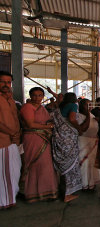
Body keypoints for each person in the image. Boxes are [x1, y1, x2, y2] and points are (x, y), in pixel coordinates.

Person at [19, 87, 58, 203]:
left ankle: (48, 192)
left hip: (44, 139)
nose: (37, 98)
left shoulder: (42, 108)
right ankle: (32, 194)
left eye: (40, 95)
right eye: (35, 95)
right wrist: (49, 127)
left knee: (47, 165)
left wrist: (49, 125)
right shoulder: (27, 107)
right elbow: (30, 124)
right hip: (32, 138)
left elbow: (48, 119)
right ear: (30, 96)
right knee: (34, 164)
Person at [52, 92, 90, 202]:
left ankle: (63, 191)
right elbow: (72, 119)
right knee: (70, 165)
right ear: (75, 100)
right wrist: (79, 129)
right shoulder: (73, 106)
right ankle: (67, 194)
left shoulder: (60, 108)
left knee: (64, 165)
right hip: (68, 139)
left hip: (60, 139)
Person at [0, 71, 22, 209]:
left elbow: (15, 118)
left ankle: (10, 197)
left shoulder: (10, 99)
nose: (6, 85)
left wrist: (17, 133)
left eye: (8, 82)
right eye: (2, 82)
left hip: (12, 141)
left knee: (14, 170)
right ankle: (5, 201)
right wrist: (12, 133)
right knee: (5, 173)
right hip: (3, 142)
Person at [77, 99, 100, 191]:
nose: (89, 107)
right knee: (84, 164)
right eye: (87, 105)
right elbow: (83, 128)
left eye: (90, 105)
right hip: (83, 142)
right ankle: (83, 184)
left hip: (93, 143)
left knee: (92, 164)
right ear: (81, 106)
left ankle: (91, 183)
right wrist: (87, 115)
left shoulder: (92, 115)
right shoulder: (78, 116)